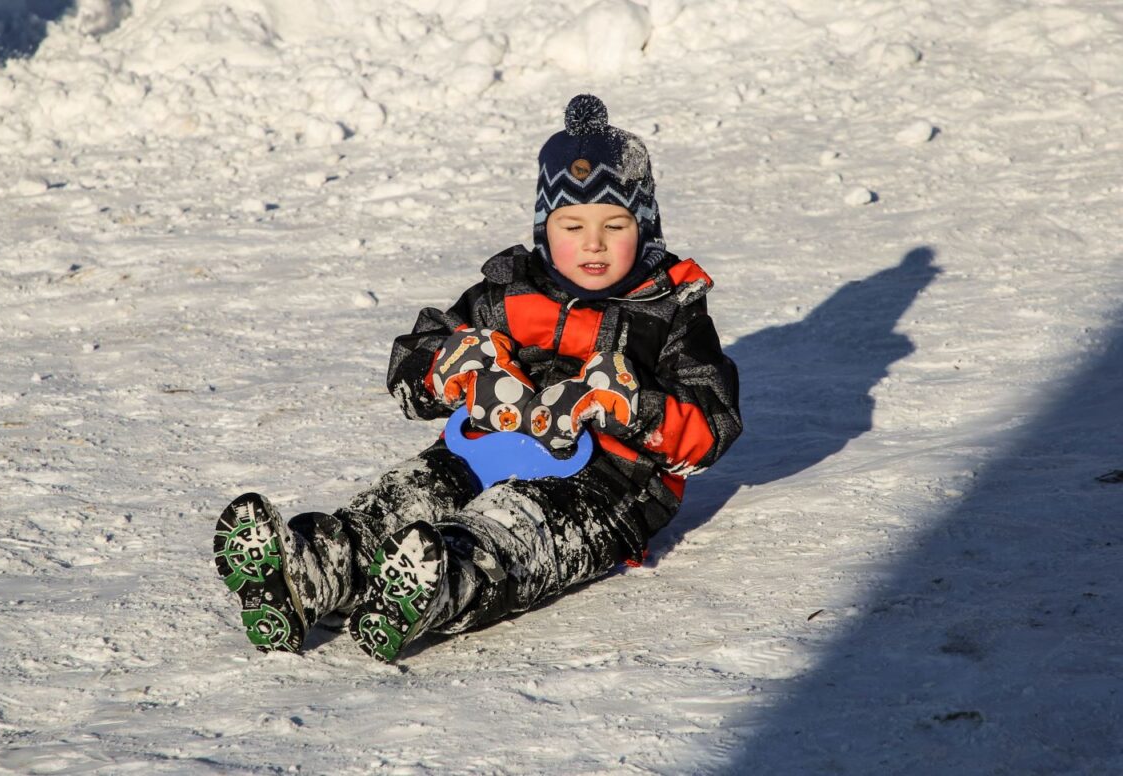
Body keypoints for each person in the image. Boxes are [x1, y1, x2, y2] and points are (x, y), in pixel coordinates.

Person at [213, 94, 743, 663]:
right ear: (545, 227)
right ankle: (316, 566)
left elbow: (713, 424)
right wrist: (447, 370)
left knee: (514, 526)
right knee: (405, 496)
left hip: (605, 484)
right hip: (484, 447)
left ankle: (435, 585)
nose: (593, 243)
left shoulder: (667, 311)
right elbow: (413, 358)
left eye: (615, 224)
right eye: (573, 224)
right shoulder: (511, 291)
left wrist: (633, 407)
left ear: (644, 227)